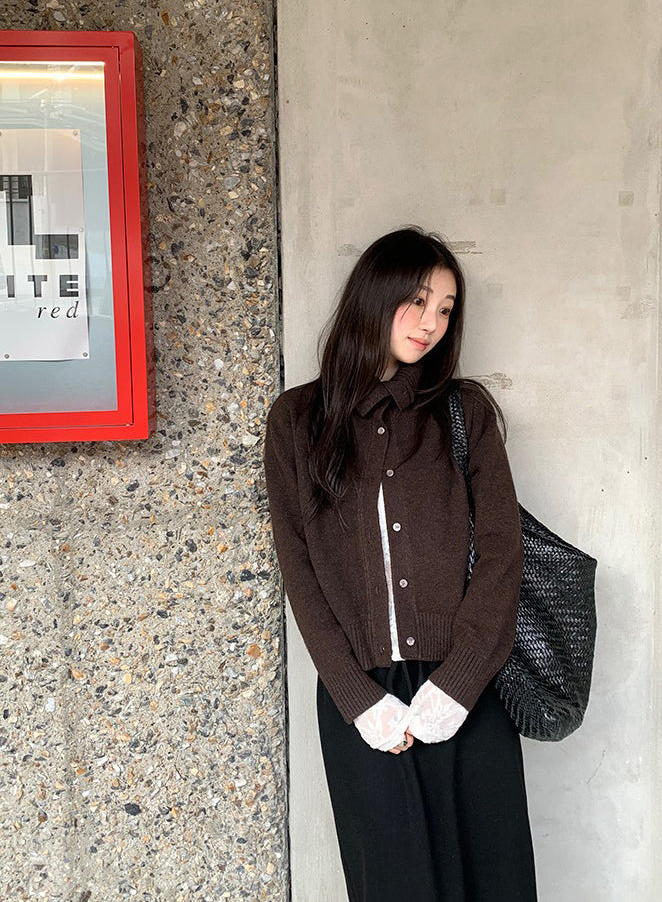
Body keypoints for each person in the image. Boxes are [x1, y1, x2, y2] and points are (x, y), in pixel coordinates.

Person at [263, 226, 537, 902]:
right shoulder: (297, 420)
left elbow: (502, 549)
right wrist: (356, 696)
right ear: (375, 296)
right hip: (364, 701)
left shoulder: (464, 412)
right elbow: (299, 567)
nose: (431, 322)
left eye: (445, 308)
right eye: (417, 300)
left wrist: (460, 682)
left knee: (492, 881)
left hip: (465, 690)